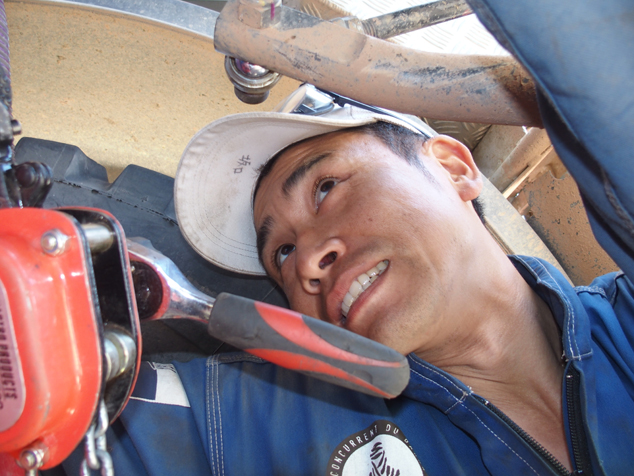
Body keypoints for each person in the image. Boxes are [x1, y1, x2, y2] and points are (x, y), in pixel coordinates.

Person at [57, 0, 634, 475]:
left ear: (454, 167)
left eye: (327, 187)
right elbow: (76, 428)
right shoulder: (255, 422)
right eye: (279, 254)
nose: (305, 260)